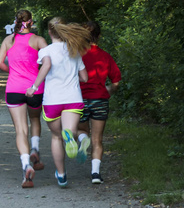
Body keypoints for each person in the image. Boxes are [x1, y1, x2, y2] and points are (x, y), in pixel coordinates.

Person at [25, 17, 91, 188]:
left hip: (53, 100)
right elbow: (84, 77)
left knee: (56, 137)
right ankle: (73, 137)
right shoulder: (74, 51)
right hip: (72, 99)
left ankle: (61, 175)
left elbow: (46, 66)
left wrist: (34, 86)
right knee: (70, 130)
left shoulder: (46, 51)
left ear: (49, 32)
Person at [0, 9, 48, 188]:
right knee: (35, 118)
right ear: (31, 22)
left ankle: (26, 165)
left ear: (16, 22)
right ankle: (35, 149)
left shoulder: (8, 40)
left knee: (20, 130)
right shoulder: (39, 40)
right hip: (35, 88)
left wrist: (13, 71)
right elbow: (50, 61)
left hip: (14, 88)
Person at [77, 21, 121, 184]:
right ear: (99, 36)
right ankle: (95, 174)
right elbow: (116, 80)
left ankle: (82, 140)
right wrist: (109, 90)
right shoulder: (105, 56)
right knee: (98, 139)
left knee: (80, 129)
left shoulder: (76, 55)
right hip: (100, 100)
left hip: (79, 99)